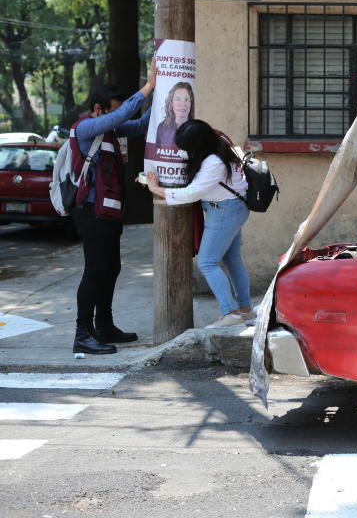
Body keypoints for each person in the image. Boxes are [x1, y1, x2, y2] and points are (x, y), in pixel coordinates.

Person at [71, 63, 155, 355]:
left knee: (111, 269)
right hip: (91, 212)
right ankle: (82, 334)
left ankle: (104, 326)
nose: (119, 115)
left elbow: (142, 124)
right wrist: (147, 86)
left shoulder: (109, 128)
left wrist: (165, 92)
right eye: (114, 110)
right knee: (95, 270)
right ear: (98, 109)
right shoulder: (85, 127)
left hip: (109, 213)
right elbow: (123, 115)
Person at [145, 119, 254, 328]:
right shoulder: (220, 141)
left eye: (187, 148)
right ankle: (246, 311)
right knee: (232, 260)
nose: (185, 152)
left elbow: (193, 193)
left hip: (224, 211)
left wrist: (156, 189)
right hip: (234, 208)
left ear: (198, 145)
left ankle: (230, 312)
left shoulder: (214, 162)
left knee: (207, 262)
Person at [155, 81, 194, 147]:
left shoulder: (196, 128)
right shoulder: (161, 128)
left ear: (191, 103)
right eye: (178, 99)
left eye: (186, 99)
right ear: (171, 103)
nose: (183, 104)